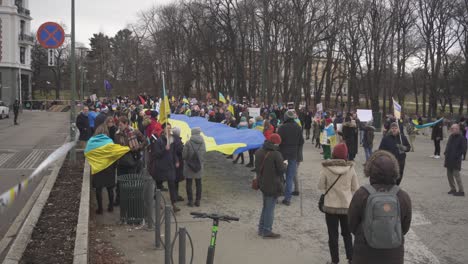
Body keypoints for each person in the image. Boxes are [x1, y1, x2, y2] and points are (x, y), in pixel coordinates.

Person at [348, 150, 412, 264]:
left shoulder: (361, 194)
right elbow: (405, 227)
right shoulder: (403, 196)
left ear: (370, 171)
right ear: (395, 171)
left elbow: (352, 224)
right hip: (394, 255)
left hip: (364, 254)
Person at [318, 143, 359, 264]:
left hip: (331, 206)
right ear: (345, 155)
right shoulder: (351, 168)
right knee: (347, 234)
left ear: (333, 154)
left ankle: (334, 260)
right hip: (346, 206)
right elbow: (355, 187)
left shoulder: (326, 168)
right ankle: (351, 258)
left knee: (332, 235)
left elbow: (320, 186)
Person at [255, 133, 286, 239]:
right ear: (276, 143)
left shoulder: (259, 151)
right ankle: (267, 230)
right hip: (272, 184)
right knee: (269, 208)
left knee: (265, 207)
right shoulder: (276, 154)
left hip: (262, 183)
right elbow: (281, 170)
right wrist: (285, 164)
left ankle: (261, 228)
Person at [114, 116, 148, 206]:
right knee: (120, 182)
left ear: (126, 124)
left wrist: (138, 147)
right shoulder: (117, 134)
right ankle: (119, 200)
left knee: (132, 182)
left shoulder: (135, 132)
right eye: (118, 125)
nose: (119, 126)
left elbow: (145, 141)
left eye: (121, 124)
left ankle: (131, 200)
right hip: (121, 161)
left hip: (133, 161)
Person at [150, 123, 180, 212]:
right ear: (163, 129)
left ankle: (174, 204)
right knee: (158, 186)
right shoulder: (159, 141)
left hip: (170, 166)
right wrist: (164, 149)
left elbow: (174, 152)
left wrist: (177, 160)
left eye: (170, 129)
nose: (168, 130)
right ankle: (157, 201)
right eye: (167, 128)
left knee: (172, 184)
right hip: (161, 166)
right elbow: (156, 154)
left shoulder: (172, 140)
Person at [277, 110, 304, 206]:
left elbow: (278, 141)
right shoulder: (298, 127)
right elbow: (301, 141)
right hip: (293, 155)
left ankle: (278, 194)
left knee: (279, 175)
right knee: (289, 177)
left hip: (283, 155)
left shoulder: (282, 127)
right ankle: (287, 199)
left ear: (285, 118)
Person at [90, 124, 116, 214]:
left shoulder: (94, 142)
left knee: (98, 188)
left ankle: (100, 208)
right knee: (110, 189)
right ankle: (111, 206)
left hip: (98, 168)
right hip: (109, 168)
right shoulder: (110, 142)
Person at [183, 127, 206, 207]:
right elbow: (204, 153)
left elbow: (184, 155)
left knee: (189, 183)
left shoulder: (188, 142)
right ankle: (198, 200)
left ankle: (190, 201)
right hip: (199, 166)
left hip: (189, 166)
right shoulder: (203, 143)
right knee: (198, 183)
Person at [444, 124, 467, 197]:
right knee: (449, 175)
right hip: (448, 159)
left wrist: (457, 155)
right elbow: (448, 145)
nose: (452, 130)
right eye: (451, 128)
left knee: (457, 175)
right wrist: (446, 152)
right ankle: (453, 188)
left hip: (456, 160)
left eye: (453, 128)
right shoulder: (451, 136)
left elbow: (463, 149)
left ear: (458, 129)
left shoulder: (462, 138)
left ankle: (461, 191)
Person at [172, 127, 185, 202]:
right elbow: (180, 151)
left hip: (173, 161)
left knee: (175, 180)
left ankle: (175, 195)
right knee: (175, 179)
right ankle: (175, 195)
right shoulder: (177, 141)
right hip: (177, 162)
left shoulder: (171, 139)